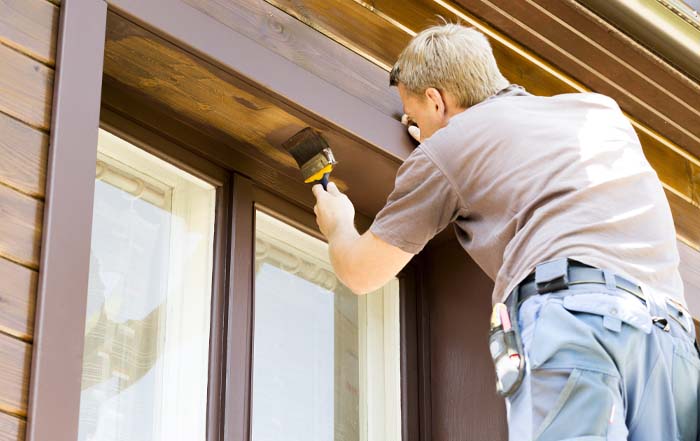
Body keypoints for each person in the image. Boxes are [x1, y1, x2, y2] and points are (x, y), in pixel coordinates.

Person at [311, 23, 699, 440]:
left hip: (575, 320)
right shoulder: (599, 114)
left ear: (436, 100)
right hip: (670, 340)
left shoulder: (450, 148)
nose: (418, 130)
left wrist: (339, 225)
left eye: (416, 116)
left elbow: (361, 271)